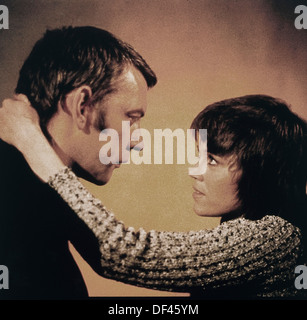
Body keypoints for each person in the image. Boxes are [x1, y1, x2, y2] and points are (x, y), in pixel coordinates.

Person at [1, 93, 306, 299]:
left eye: (212, 160)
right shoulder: (261, 223)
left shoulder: (274, 236)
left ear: (261, 172)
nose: (194, 170)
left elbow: (120, 252)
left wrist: (31, 140)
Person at [0, 25, 157, 299]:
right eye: (131, 118)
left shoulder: (33, 200)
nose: (137, 141)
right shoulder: (18, 217)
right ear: (82, 106)